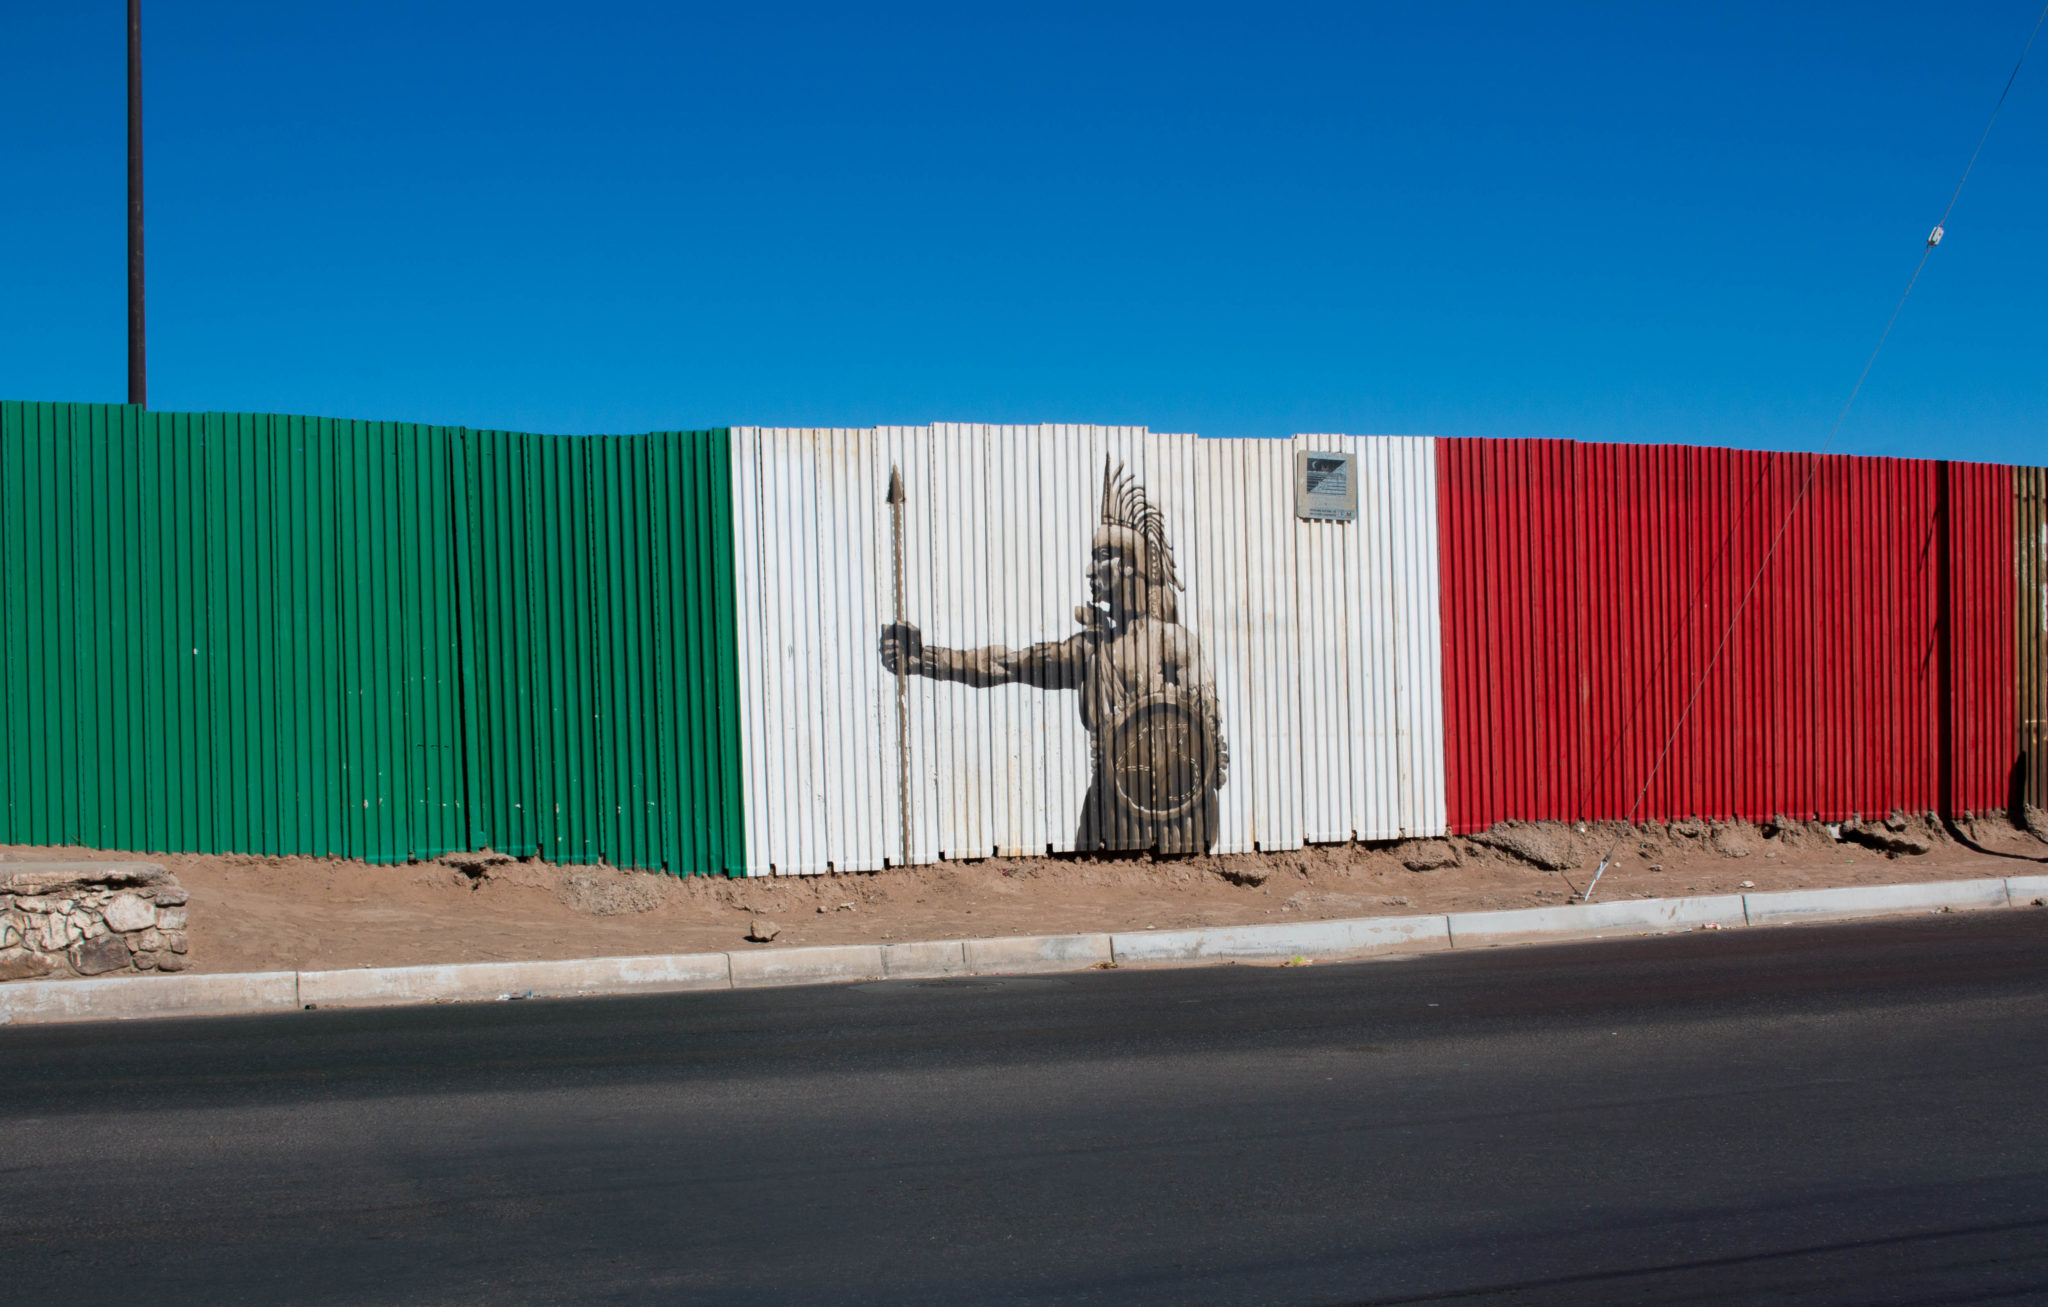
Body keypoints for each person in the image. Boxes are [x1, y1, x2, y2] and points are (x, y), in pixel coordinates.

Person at [879, 459, 1227, 853]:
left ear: (1128, 565)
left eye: (1100, 557)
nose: (1089, 570)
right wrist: (924, 659)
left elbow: (1207, 732)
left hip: (1179, 827)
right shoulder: (1093, 650)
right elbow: (1006, 664)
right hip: (1110, 821)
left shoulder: (1176, 644)